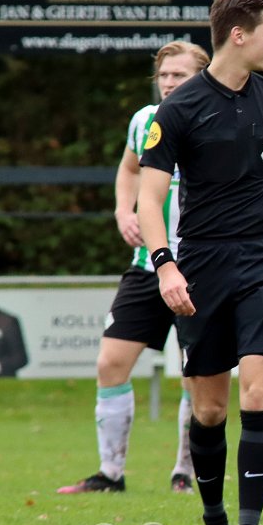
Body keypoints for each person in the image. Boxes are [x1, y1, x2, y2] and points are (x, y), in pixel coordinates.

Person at [137, 0, 263, 525]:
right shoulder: (179, 109)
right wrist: (165, 265)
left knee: (260, 393)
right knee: (211, 410)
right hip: (202, 265)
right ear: (238, 35)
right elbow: (149, 200)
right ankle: (214, 521)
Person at [57, 41, 210, 495]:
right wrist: (124, 210)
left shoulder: (221, 120)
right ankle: (111, 474)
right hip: (148, 267)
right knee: (110, 363)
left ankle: (184, 471)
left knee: (197, 376)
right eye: (164, 75)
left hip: (203, 268)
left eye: (179, 75)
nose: (169, 83)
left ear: (202, 77)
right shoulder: (145, 120)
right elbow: (128, 170)